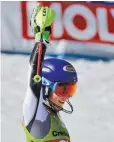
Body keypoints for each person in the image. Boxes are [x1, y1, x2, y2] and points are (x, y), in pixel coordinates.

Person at [22, 4, 77, 142]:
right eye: (63, 89)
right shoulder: (36, 117)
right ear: (45, 87)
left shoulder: (54, 118)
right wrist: (41, 40)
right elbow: (33, 82)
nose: (66, 97)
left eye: (70, 89)